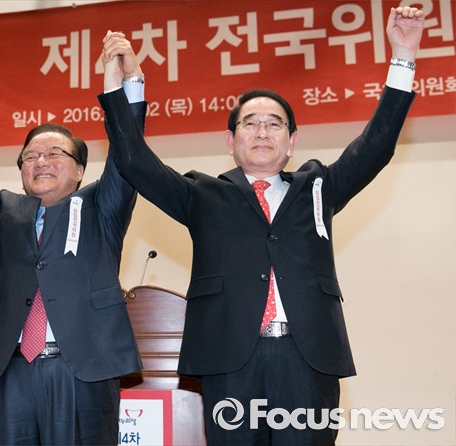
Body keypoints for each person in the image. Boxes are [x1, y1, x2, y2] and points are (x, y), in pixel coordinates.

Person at [99, 7, 424, 445]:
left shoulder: (319, 187)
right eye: (249, 124)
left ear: (292, 142)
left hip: (307, 359)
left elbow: (377, 145)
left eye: (274, 124)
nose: (262, 132)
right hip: (231, 362)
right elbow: (134, 161)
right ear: (230, 141)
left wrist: (403, 55)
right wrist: (125, 84)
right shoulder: (202, 194)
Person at [0, 42, 146, 444]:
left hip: (82, 369)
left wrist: (127, 84)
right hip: (14, 368)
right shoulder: (5, 211)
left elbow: (128, 154)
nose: (40, 161)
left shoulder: (101, 206)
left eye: (54, 153)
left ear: (80, 169)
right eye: (30, 156)